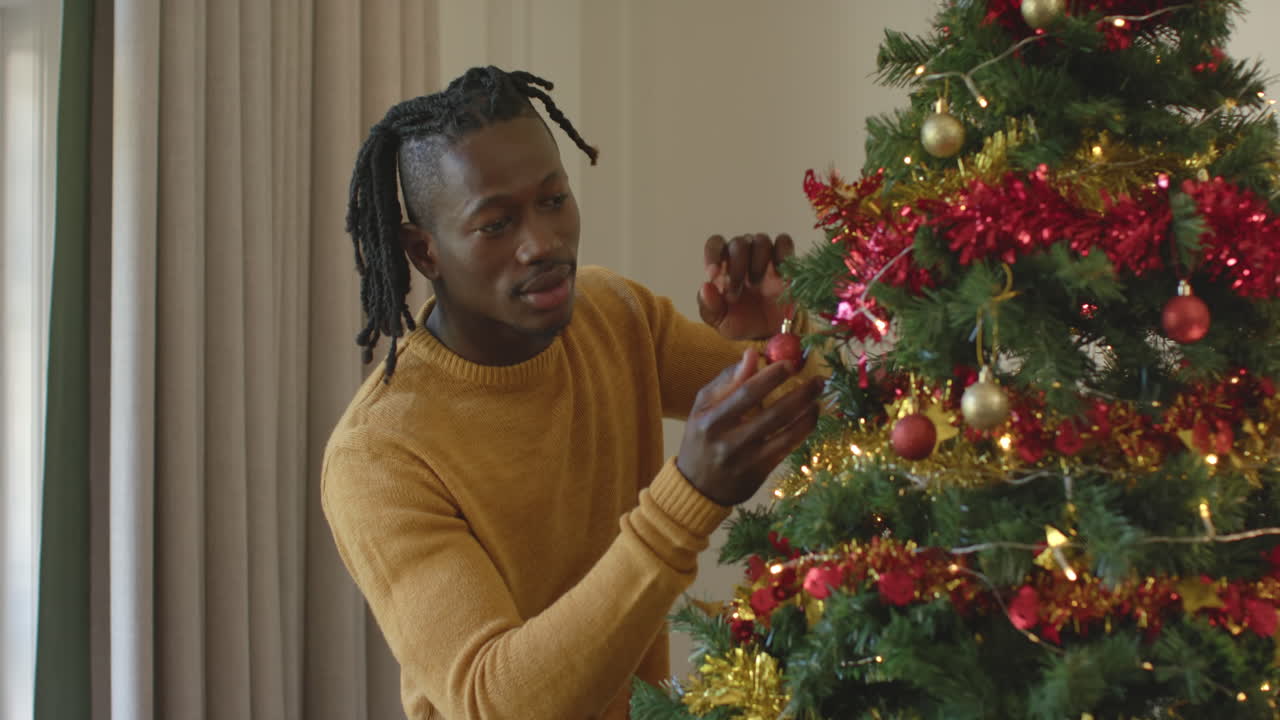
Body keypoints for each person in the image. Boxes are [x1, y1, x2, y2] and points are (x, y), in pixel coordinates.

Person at [323, 66, 825, 720]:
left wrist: (776, 339)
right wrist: (687, 498)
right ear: (424, 252)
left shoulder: (614, 314)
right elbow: (495, 701)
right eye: (496, 224)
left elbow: (825, 402)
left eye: (554, 200)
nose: (544, 243)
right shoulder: (378, 456)